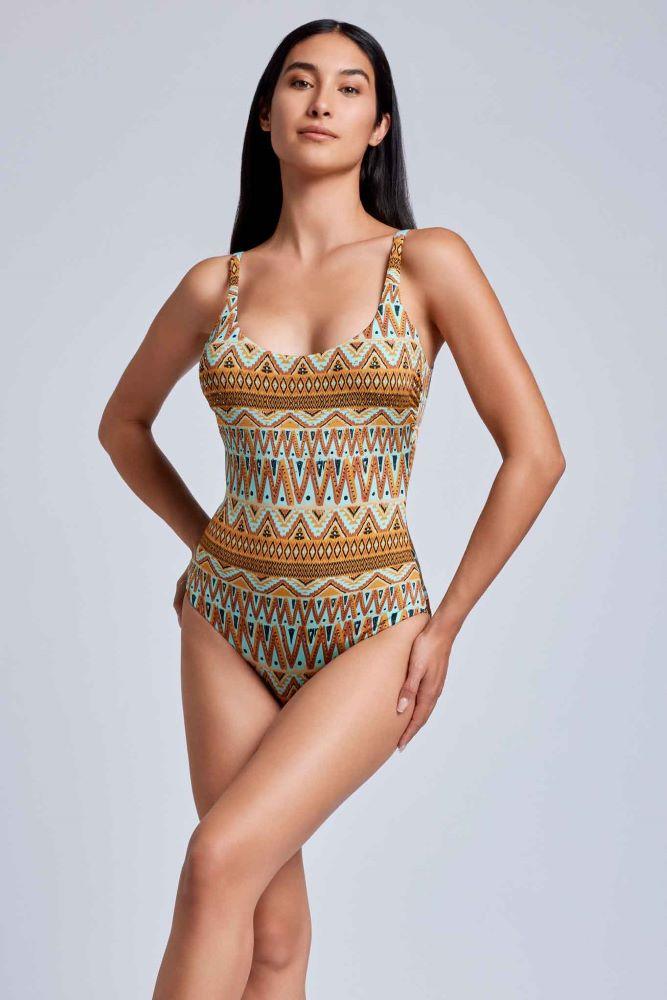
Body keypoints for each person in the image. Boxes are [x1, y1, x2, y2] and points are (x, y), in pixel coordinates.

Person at [98, 18, 565, 999]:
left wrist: (445, 624)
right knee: (269, 929)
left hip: (372, 622)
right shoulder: (215, 286)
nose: (321, 102)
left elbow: (534, 455)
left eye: (350, 88)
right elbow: (123, 427)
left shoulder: (427, 262)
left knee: (216, 859)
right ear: (265, 116)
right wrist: (205, 545)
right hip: (226, 620)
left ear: (379, 126)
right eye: (299, 82)